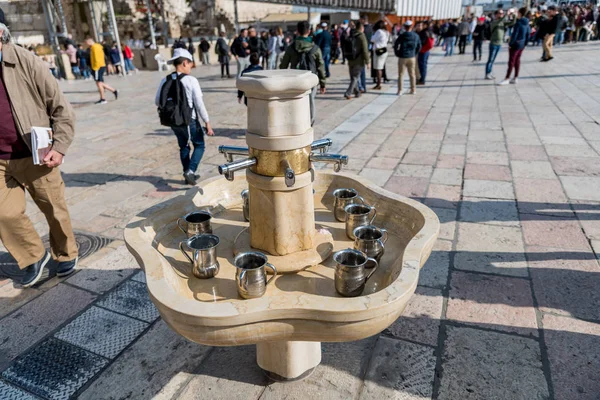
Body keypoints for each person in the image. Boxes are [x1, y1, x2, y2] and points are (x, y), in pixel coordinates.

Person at [0, 14, 79, 287]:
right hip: (0, 159)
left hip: (36, 153)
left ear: (1, 34)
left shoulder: (25, 60)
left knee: (54, 208)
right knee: (3, 213)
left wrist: (59, 147)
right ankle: (33, 255)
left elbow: (61, 109)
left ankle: (66, 253)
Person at [155, 48, 214, 186]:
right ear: (185, 63)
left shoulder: (166, 79)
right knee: (199, 145)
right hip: (189, 120)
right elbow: (199, 103)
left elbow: (158, 101)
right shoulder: (191, 80)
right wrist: (207, 122)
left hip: (173, 121)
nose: (191, 67)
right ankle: (190, 171)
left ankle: (188, 173)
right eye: (190, 64)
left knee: (184, 146)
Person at [280, 21, 326, 125]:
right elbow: (321, 66)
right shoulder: (315, 48)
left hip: (294, 80)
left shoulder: (291, 48)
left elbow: (283, 66)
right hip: (311, 79)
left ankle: (295, 122)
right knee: (310, 101)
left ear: (297, 31)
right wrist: (323, 83)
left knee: (295, 102)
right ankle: (310, 122)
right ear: (309, 31)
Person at [498, 7, 530, 86]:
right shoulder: (527, 23)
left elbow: (514, 35)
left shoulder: (518, 23)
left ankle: (507, 78)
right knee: (517, 61)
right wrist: (525, 43)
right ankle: (516, 77)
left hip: (515, 44)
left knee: (511, 62)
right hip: (522, 44)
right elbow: (528, 35)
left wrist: (510, 44)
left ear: (520, 13)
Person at [85, 37, 118, 104]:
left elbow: (96, 58)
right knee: (99, 83)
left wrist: (95, 68)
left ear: (89, 42)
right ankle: (112, 92)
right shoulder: (98, 46)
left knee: (99, 83)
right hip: (101, 65)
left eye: (86, 43)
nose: (86, 45)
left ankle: (104, 98)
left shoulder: (94, 47)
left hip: (97, 67)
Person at [485, 8, 516, 80]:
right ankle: (487, 73)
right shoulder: (494, 22)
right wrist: (506, 14)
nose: (502, 14)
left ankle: (490, 72)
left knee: (493, 59)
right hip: (493, 43)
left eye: (502, 13)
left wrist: (513, 15)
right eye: (500, 13)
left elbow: (513, 23)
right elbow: (500, 21)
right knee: (490, 59)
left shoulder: (503, 22)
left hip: (499, 43)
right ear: (496, 14)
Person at [343, 21, 369, 100]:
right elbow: (365, 50)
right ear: (362, 28)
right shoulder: (362, 36)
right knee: (355, 77)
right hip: (358, 60)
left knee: (353, 77)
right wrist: (367, 61)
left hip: (350, 59)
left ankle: (357, 92)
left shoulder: (352, 34)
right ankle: (348, 93)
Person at [394, 20, 421, 96]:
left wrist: (397, 53)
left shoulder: (402, 35)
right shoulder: (416, 36)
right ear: (412, 27)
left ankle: (400, 90)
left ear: (405, 27)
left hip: (402, 57)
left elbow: (396, 44)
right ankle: (413, 89)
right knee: (412, 74)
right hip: (412, 57)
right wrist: (415, 53)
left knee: (401, 74)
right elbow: (419, 46)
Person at [370, 20, 388, 90]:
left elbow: (372, 39)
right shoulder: (386, 32)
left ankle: (378, 84)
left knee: (378, 68)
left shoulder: (379, 31)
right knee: (380, 67)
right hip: (384, 50)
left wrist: (374, 33)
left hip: (378, 51)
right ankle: (379, 83)